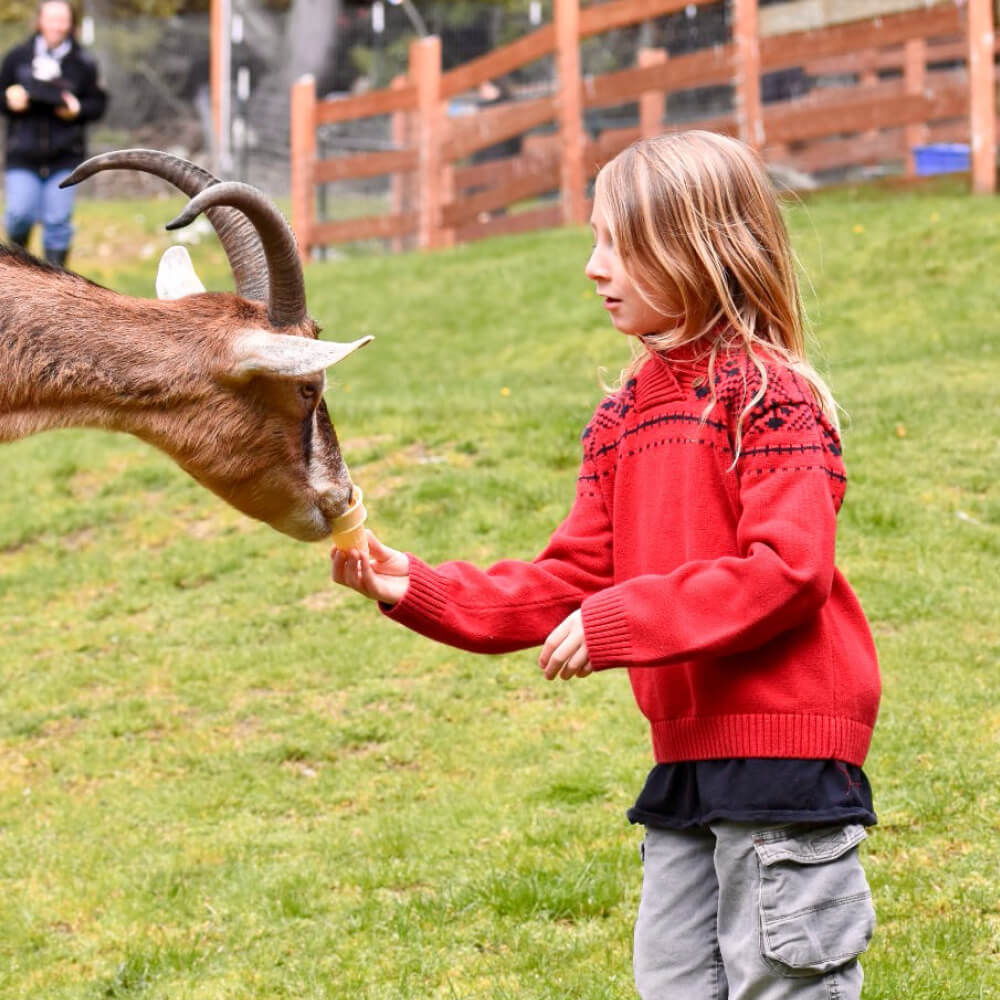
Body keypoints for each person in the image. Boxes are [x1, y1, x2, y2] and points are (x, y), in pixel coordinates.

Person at [331, 130, 881, 1000]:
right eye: (595, 241)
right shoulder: (621, 417)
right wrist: (420, 588)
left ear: (697, 250)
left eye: (619, 245)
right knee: (672, 981)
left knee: (782, 981)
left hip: (784, 755)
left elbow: (788, 571)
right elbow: (574, 578)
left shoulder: (769, 396)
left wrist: (624, 621)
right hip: (687, 757)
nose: (594, 267)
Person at [0, 0, 107, 266]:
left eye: (63, 20)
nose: (57, 26)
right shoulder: (17, 57)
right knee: (19, 215)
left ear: (71, 24)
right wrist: (9, 100)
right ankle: (17, 272)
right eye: (52, 19)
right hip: (23, 155)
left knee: (58, 222)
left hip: (65, 157)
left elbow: (98, 104)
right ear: (39, 21)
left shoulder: (83, 63)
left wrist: (77, 109)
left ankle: (55, 282)